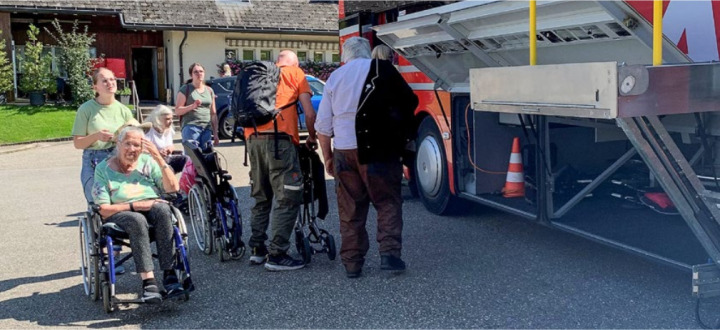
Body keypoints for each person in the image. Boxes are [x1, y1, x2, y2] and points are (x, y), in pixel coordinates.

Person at [315, 37, 419, 278]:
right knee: (387, 201)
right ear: (368, 53)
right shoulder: (383, 70)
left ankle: (352, 263)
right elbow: (409, 102)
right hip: (380, 151)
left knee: (350, 208)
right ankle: (389, 255)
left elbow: (322, 127)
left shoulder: (335, 78)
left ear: (345, 57)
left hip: (344, 151)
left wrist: (328, 157)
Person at [244, 50, 318, 271]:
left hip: (252, 139)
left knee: (261, 195)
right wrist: (312, 137)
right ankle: (277, 254)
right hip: (280, 141)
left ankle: (257, 250)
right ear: (294, 62)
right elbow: (310, 113)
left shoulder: (257, 75)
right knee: (288, 196)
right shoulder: (295, 73)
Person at [92, 125, 182, 303]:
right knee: (137, 220)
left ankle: (170, 273)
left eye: (137, 146)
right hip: (121, 212)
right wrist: (136, 205)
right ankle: (149, 282)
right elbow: (103, 209)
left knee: (164, 210)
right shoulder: (103, 169)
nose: (132, 149)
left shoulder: (148, 162)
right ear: (118, 144)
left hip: (151, 205)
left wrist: (157, 157)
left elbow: (173, 188)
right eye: (127, 144)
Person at [72, 67, 135, 203]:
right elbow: (78, 143)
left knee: (122, 201)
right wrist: (96, 136)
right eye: (104, 81)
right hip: (93, 159)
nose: (110, 83)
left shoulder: (124, 110)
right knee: (99, 203)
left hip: (118, 158)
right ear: (95, 87)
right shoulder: (86, 109)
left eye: (112, 79)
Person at [175, 63, 220, 150]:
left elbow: (213, 113)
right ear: (191, 75)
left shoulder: (209, 90)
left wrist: (215, 133)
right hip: (191, 127)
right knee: (193, 159)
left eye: (201, 71)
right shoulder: (185, 89)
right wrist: (192, 106)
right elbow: (177, 111)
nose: (199, 73)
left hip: (206, 128)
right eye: (195, 72)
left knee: (206, 158)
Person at [145, 105, 187, 173]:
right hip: (152, 162)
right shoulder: (149, 131)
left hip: (166, 159)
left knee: (187, 160)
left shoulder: (168, 129)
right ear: (158, 119)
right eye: (167, 119)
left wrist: (169, 149)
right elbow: (143, 151)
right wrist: (157, 153)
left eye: (171, 118)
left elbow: (171, 145)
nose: (171, 121)